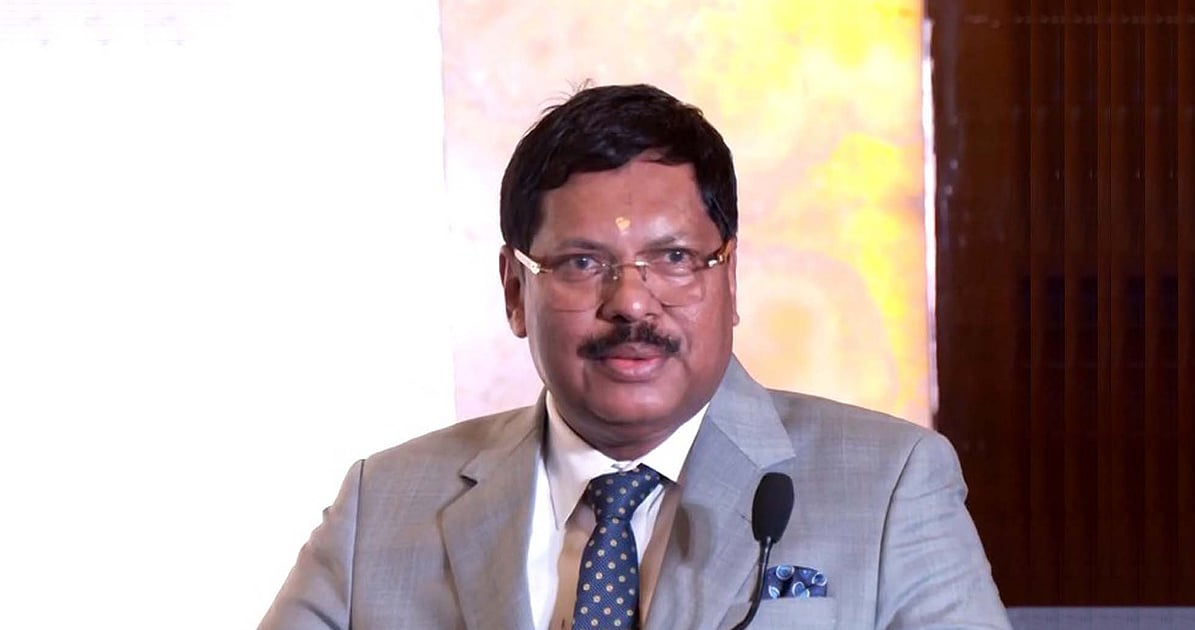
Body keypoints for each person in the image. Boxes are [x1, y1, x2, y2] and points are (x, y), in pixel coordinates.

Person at [259, 83, 1010, 630]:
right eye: (582, 262)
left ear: (731, 279)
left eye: (675, 258)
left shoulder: (889, 485)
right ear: (515, 291)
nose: (632, 304)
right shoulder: (382, 504)